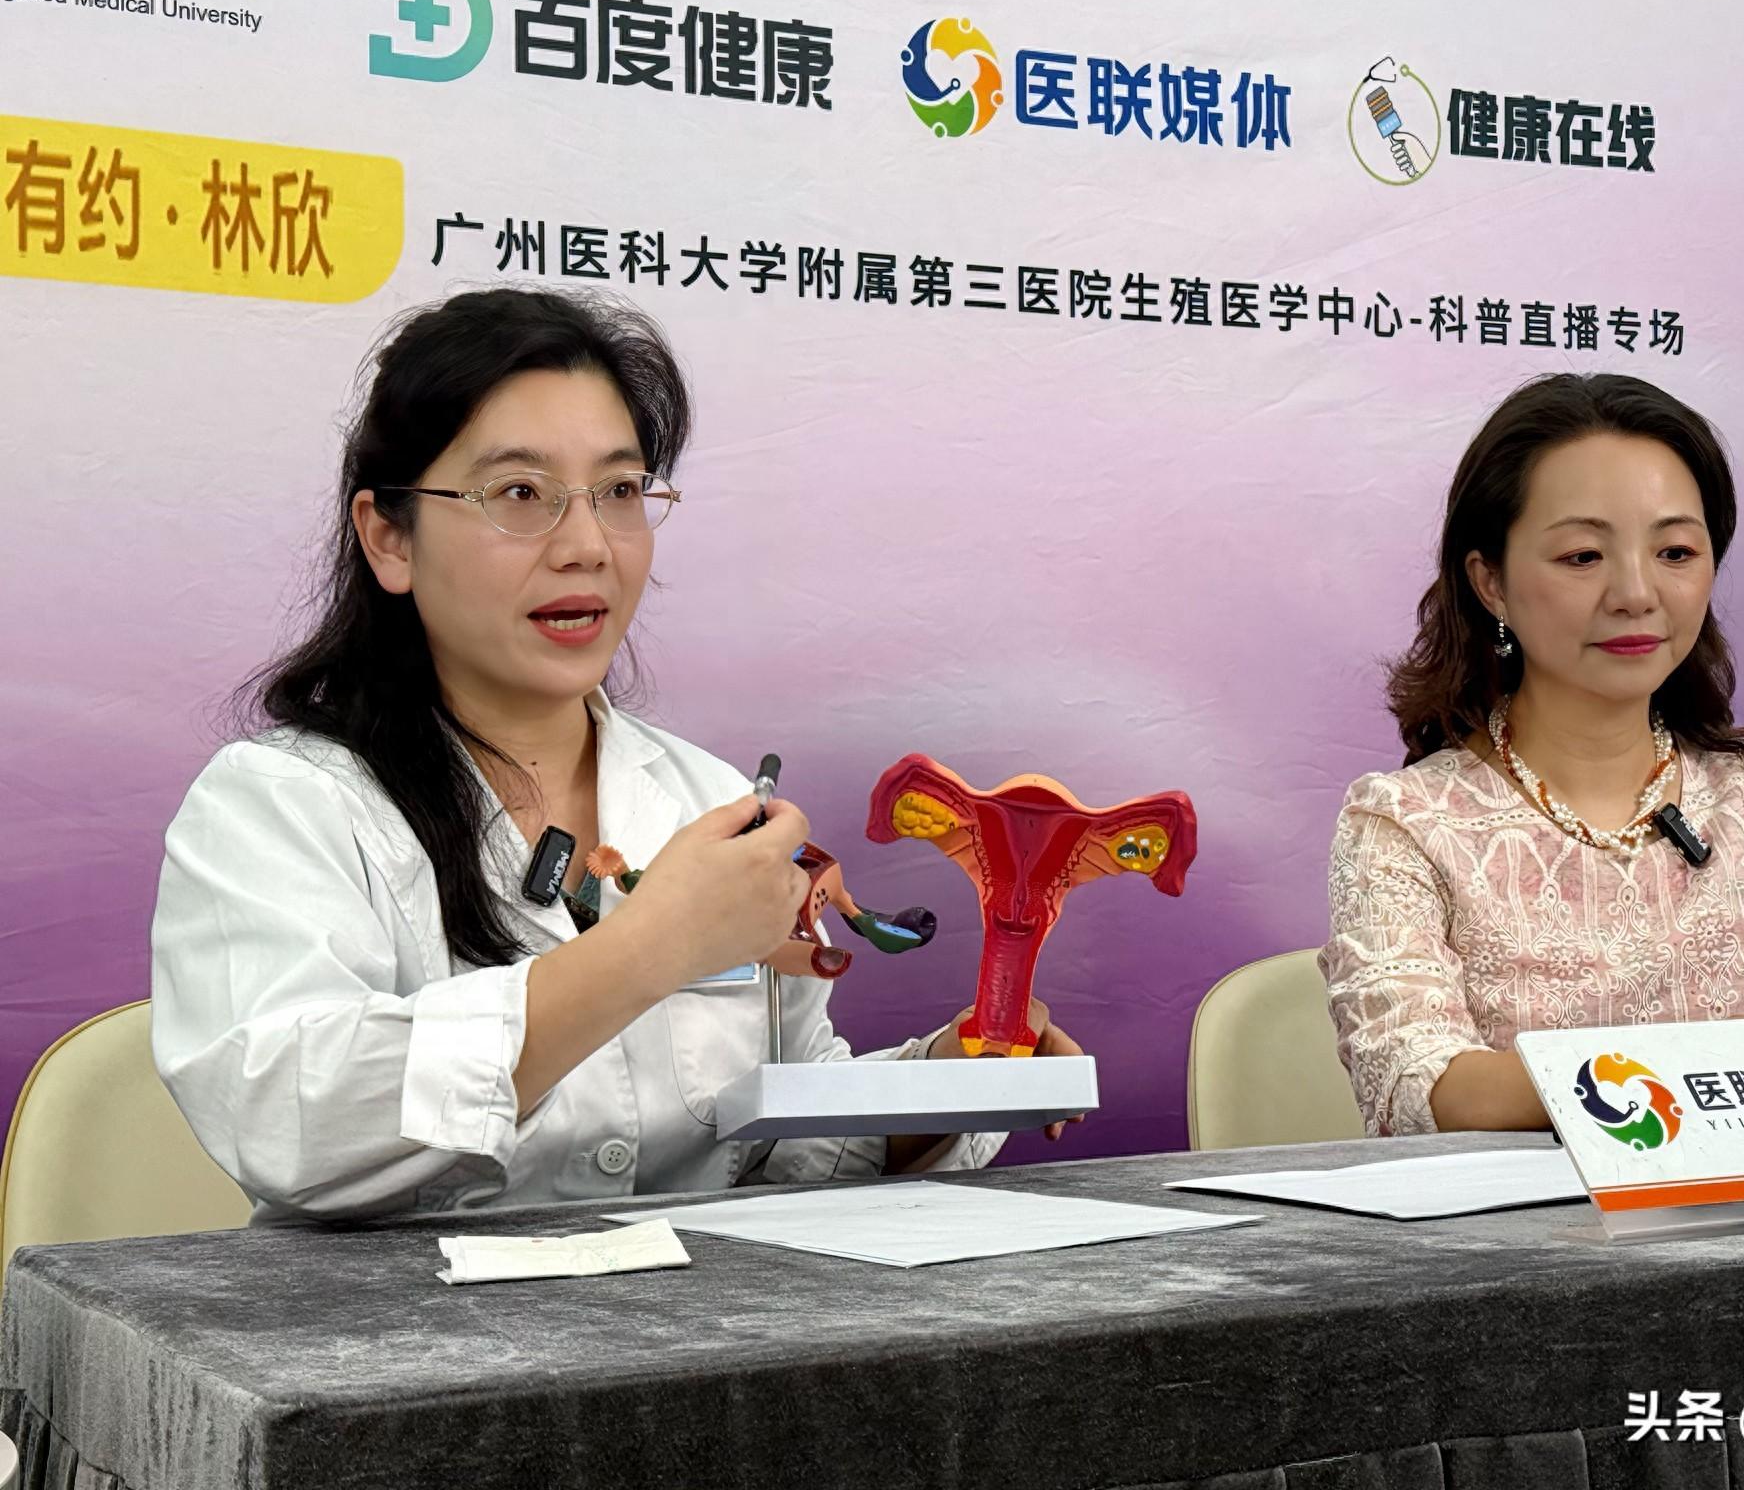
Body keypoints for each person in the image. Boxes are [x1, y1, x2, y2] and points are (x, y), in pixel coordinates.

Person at [150, 286, 1082, 1222]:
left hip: (691, 1317)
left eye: (621, 492)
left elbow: (774, 1149)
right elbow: (290, 1125)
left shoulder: (711, 800)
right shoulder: (278, 804)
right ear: (389, 537)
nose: (588, 545)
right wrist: (653, 946)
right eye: (521, 494)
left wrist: (946, 1084)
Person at [1320, 372, 1744, 1135]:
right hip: (1531, 1212)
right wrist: (1682, 1084)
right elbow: (1420, 1080)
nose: (1636, 592)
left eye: (1675, 551)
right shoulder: (1405, 823)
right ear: (1491, 583)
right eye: (1583, 556)